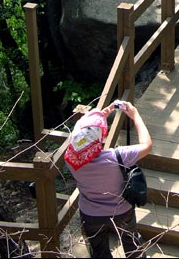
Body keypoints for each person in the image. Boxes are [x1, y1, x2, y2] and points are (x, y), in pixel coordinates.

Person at [64, 102, 152, 258]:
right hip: (122, 211)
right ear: (103, 136)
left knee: (99, 251)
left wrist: (101, 115)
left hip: (91, 214)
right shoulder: (118, 156)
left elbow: (83, 136)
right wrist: (135, 115)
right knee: (132, 244)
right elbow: (147, 145)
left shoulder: (70, 161)